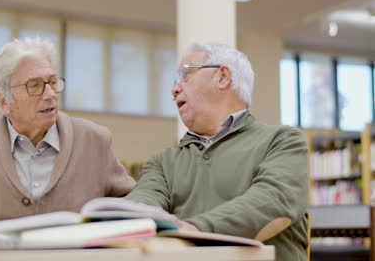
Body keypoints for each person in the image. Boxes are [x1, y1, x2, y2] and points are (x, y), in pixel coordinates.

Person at [125, 43, 309, 261]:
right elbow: (145, 198)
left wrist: (195, 230)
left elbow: (274, 201)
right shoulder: (163, 162)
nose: (174, 90)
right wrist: (136, 215)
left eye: (186, 75)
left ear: (222, 76)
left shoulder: (282, 141)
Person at [0, 37, 135, 232]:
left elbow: (133, 203)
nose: (50, 94)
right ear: (4, 101)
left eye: (53, 82)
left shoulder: (95, 140)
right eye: (35, 85)